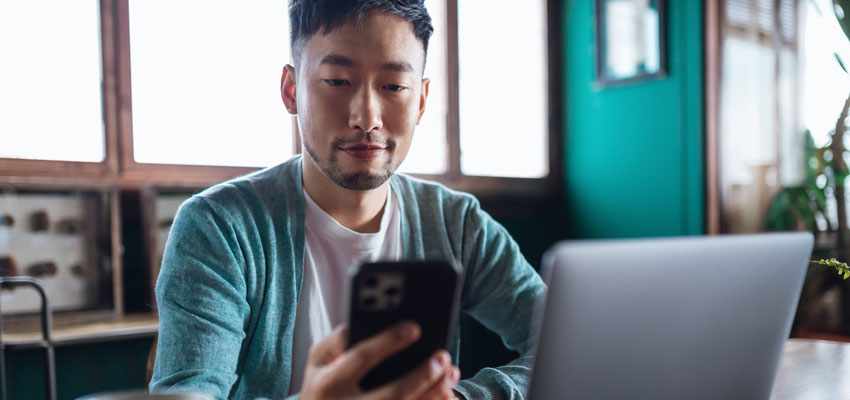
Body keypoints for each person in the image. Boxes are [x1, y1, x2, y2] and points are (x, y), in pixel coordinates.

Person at [149, 0, 545, 399]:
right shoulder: (219, 228)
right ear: (291, 90)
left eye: (393, 86)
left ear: (421, 101)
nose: (366, 117)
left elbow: (562, 342)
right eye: (338, 81)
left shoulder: (455, 223)